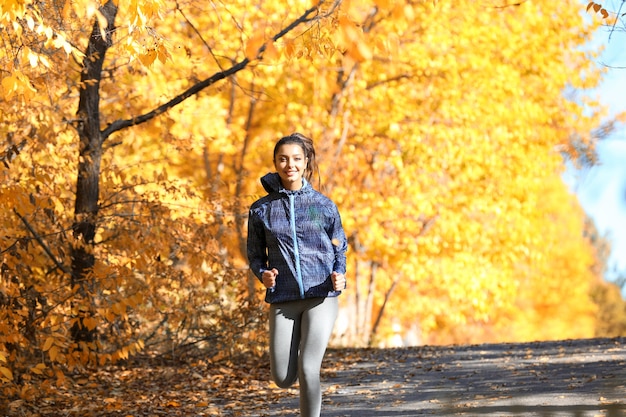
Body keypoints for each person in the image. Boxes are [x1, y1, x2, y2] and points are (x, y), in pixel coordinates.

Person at [247, 133, 348, 417]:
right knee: (282, 377)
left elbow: (338, 244)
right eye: (283, 159)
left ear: (305, 163)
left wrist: (340, 274)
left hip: (321, 296)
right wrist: (263, 274)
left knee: (308, 367)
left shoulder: (319, 206)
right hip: (284, 297)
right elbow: (255, 255)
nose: (289, 164)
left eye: (296, 159)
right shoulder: (262, 209)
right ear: (275, 163)